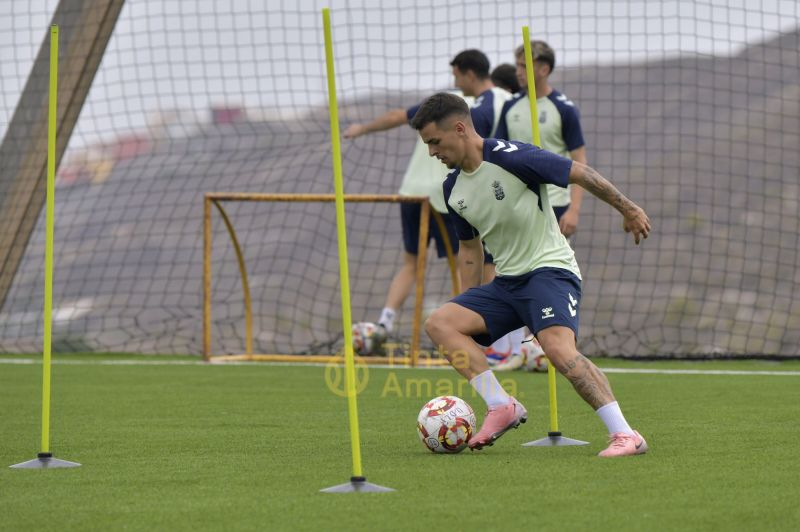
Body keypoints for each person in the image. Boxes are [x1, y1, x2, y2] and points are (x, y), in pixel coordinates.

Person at [410, 92, 651, 457]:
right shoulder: (452, 189)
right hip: (507, 284)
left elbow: (580, 173)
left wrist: (628, 208)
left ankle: (626, 435)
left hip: (550, 272)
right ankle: (501, 406)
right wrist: (467, 305)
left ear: (460, 129)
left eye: (435, 142)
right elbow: (471, 252)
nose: (432, 152)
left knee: (558, 350)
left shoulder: (513, 157)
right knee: (441, 323)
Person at [343, 50, 511, 347]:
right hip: (448, 193)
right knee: (470, 256)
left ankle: (385, 322)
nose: (453, 80)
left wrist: (361, 129)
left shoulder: (443, 106)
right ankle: (466, 325)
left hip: (411, 192)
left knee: (412, 263)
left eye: (456, 74)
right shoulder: (467, 109)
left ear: (468, 74)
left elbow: (397, 116)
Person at [492, 40, 588, 371]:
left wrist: (574, 209)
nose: (517, 72)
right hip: (520, 209)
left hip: (558, 205)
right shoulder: (512, 107)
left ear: (543, 69)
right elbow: (498, 158)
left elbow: (580, 162)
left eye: (523, 66)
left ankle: (555, 347)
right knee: (520, 272)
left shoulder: (564, 107)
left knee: (550, 277)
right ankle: (526, 350)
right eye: (517, 66)